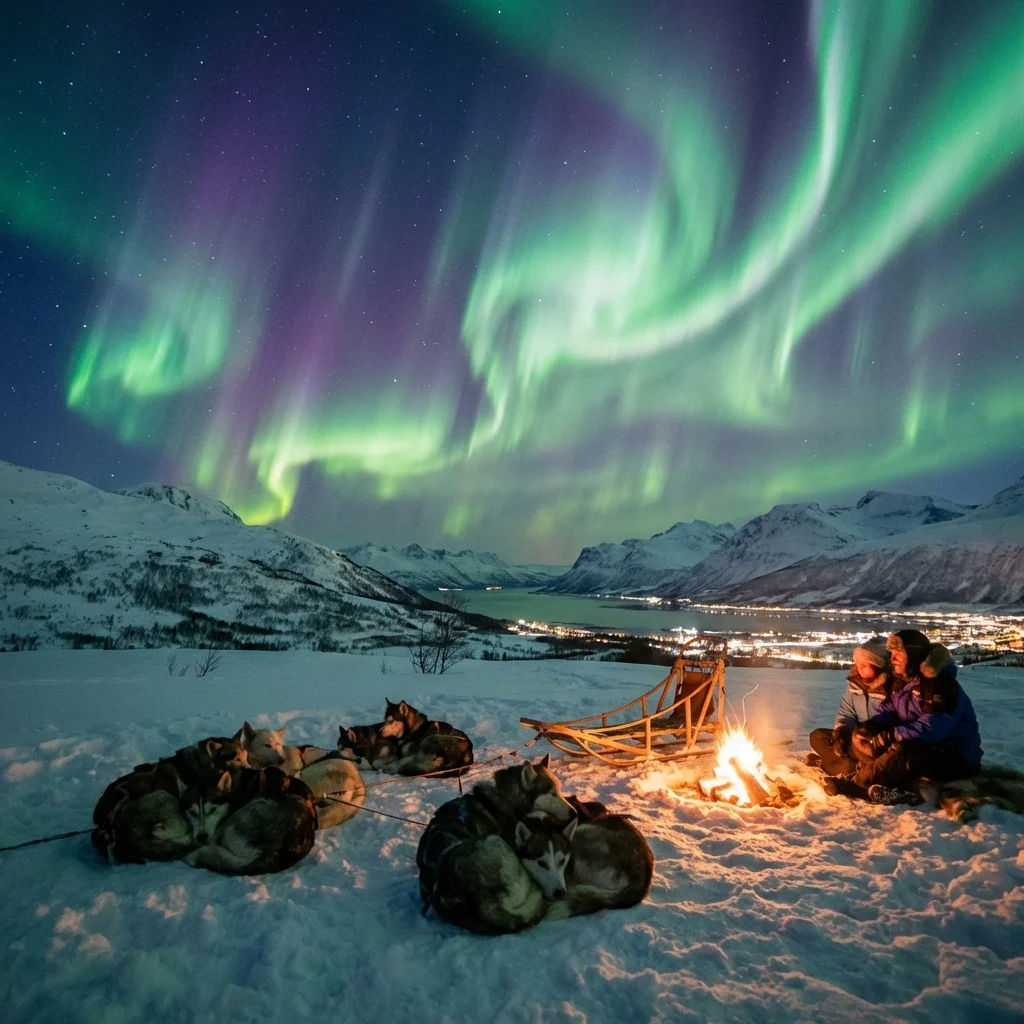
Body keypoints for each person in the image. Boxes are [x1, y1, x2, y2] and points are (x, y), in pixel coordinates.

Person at [825, 629, 983, 805]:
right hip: (921, 747)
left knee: (901, 752)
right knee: (869, 741)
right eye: (891, 654)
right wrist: (871, 727)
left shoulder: (941, 686)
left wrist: (891, 735)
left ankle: (858, 784)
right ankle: (889, 784)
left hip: (955, 756)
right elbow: (888, 710)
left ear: (913, 654)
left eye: (898, 654)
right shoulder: (902, 682)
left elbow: (931, 729)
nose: (892, 659)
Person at [806, 637, 893, 777]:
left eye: (864, 665)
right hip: (854, 736)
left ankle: (835, 766)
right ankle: (846, 765)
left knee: (860, 760)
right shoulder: (855, 685)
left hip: (874, 742)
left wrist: (867, 734)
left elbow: (891, 719)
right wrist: (840, 734)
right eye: (857, 664)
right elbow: (847, 713)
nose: (859, 669)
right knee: (817, 736)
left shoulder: (889, 688)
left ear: (877, 665)